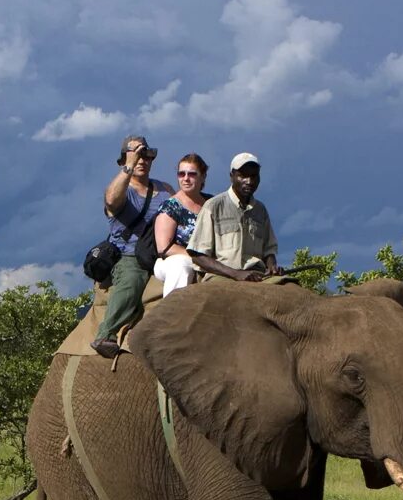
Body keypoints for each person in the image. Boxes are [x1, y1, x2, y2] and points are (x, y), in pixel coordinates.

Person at [88, 135, 174, 359]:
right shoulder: (121, 191)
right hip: (129, 256)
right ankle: (106, 333)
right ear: (123, 160)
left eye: (145, 155)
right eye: (136, 155)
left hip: (163, 253)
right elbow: (110, 200)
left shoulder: (165, 189)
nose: (141, 160)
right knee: (132, 283)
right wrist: (129, 164)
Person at [188, 152, 282, 282]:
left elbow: (268, 250)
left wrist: (272, 266)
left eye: (254, 176)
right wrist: (235, 274)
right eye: (242, 176)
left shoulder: (261, 210)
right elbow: (197, 255)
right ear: (232, 176)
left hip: (257, 274)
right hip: (222, 275)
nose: (249, 181)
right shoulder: (214, 206)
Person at [151, 153, 212, 296]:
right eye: (181, 174)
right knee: (180, 265)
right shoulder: (171, 205)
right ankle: (171, 313)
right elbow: (164, 247)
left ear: (203, 177)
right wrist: (199, 259)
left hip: (208, 259)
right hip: (173, 260)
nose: (186, 178)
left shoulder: (211, 203)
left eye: (192, 174)